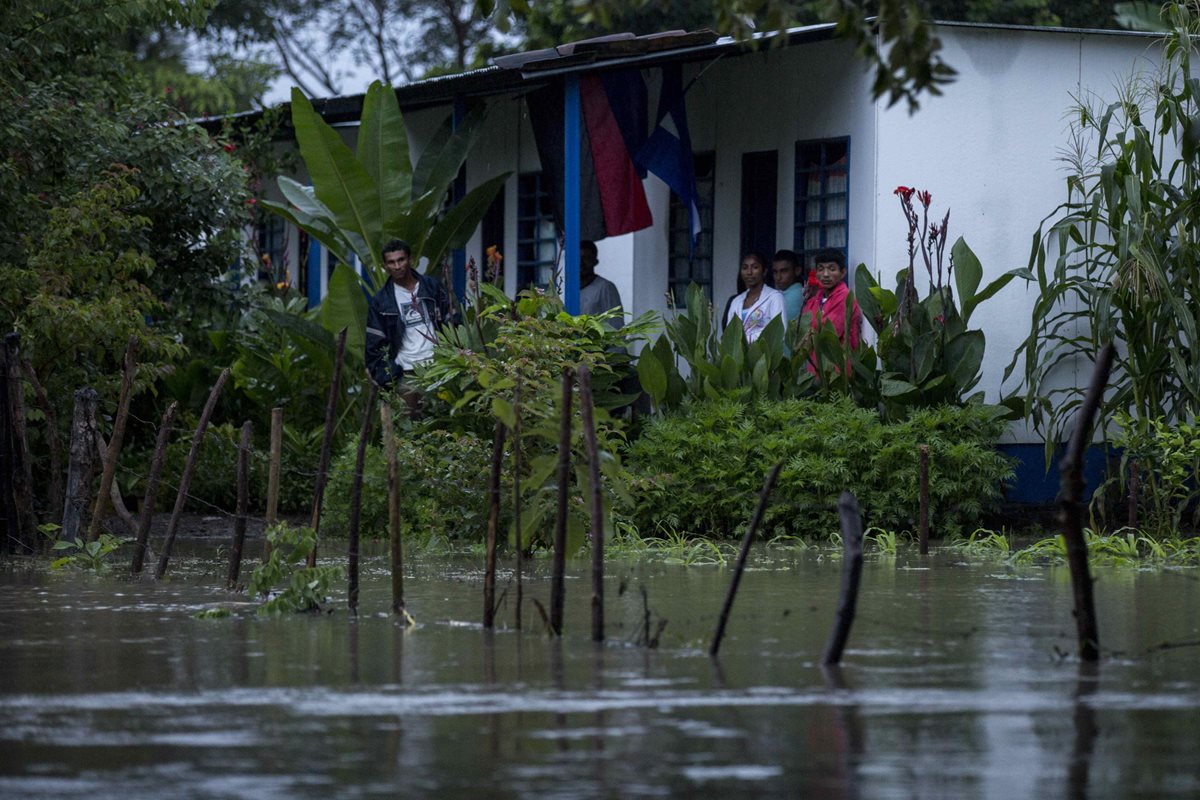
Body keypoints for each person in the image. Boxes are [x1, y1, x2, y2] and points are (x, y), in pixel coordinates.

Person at [365, 239, 454, 389]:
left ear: (410, 260)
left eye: (401, 260)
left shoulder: (433, 287)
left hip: (438, 366)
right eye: (391, 262)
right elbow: (374, 343)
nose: (397, 266)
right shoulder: (381, 301)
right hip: (405, 372)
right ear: (385, 266)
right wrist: (386, 375)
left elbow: (453, 321)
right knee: (410, 413)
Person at [801, 248, 862, 359]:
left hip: (836, 368)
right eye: (821, 269)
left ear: (843, 272)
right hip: (814, 367)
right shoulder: (815, 299)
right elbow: (801, 328)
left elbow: (828, 333)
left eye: (832, 269)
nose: (825, 274)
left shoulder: (845, 298)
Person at [723, 251, 787, 342]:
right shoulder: (736, 301)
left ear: (764, 271)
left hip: (765, 355)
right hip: (738, 355)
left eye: (755, 267)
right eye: (745, 268)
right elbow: (729, 335)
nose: (749, 272)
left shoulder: (774, 298)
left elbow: (780, 332)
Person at [577, 240, 624, 329]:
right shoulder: (568, 289)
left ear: (595, 261)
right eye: (577, 258)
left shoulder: (605, 288)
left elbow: (616, 326)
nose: (581, 263)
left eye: (586, 258)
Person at [772, 249, 805, 325]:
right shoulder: (782, 293)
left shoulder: (795, 295)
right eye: (775, 272)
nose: (778, 277)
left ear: (797, 271)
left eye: (784, 271)